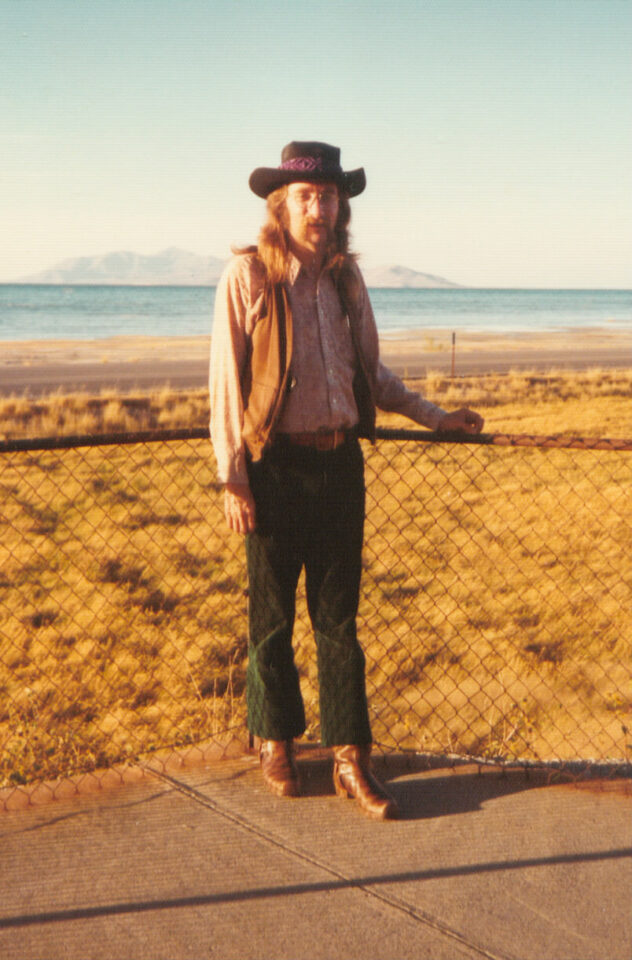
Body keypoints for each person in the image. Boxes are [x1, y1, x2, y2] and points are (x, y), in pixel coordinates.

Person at [209, 141, 484, 820]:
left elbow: (373, 377)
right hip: (274, 469)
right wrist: (232, 478)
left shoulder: (345, 283)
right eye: (306, 196)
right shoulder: (248, 276)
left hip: (339, 467)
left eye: (329, 196)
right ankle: (276, 740)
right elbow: (224, 385)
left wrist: (433, 415)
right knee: (270, 619)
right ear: (282, 205)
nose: (319, 208)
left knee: (339, 622)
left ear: (341, 208)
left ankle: (349, 758)